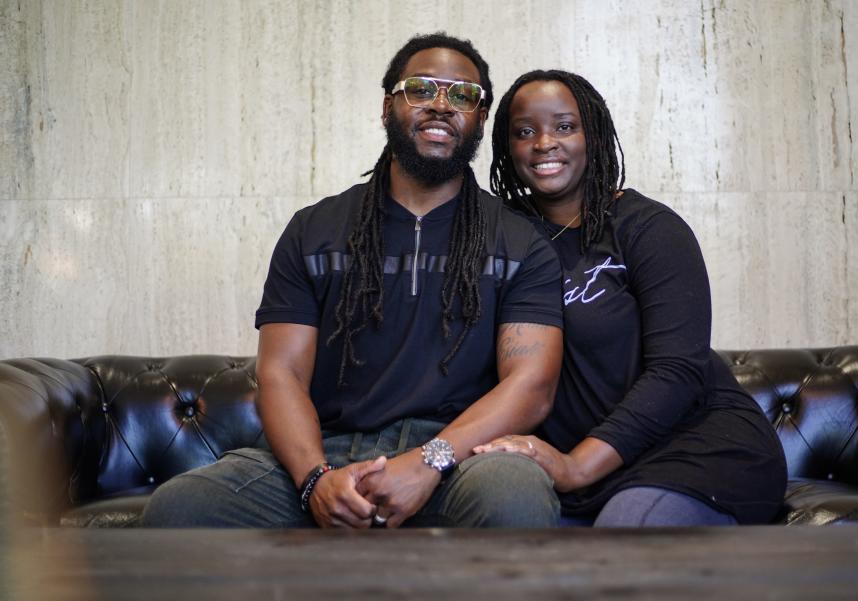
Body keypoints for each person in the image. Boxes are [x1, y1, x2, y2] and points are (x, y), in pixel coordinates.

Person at [142, 35, 565, 529]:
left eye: (463, 95)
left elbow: (531, 386)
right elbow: (281, 375)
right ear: (387, 107)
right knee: (181, 509)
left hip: (460, 457)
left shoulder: (519, 240)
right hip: (327, 448)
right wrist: (315, 480)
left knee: (514, 496)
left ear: (481, 119)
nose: (442, 106)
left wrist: (430, 459)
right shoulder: (314, 230)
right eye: (422, 89)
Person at [476, 70, 787, 527]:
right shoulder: (503, 236)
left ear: (594, 135)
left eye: (565, 126)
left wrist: (577, 465)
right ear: (507, 148)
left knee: (627, 531)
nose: (544, 142)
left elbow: (677, 371)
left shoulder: (647, 228)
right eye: (525, 131)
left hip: (693, 449)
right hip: (586, 473)